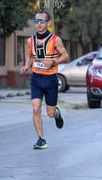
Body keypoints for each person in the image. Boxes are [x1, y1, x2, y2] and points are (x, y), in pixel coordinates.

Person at [20, 10, 69, 150]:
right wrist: (26, 66)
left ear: (48, 23)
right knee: (36, 108)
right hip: (36, 78)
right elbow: (31, 55)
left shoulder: (55, 40)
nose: (39, 24)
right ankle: (41, 139)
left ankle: (57, 114)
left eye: (42, 21)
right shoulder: (31, 41)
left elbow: (65, 56)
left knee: (50, 113)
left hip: (50, 80)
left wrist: (53, 62)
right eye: (36, 21)